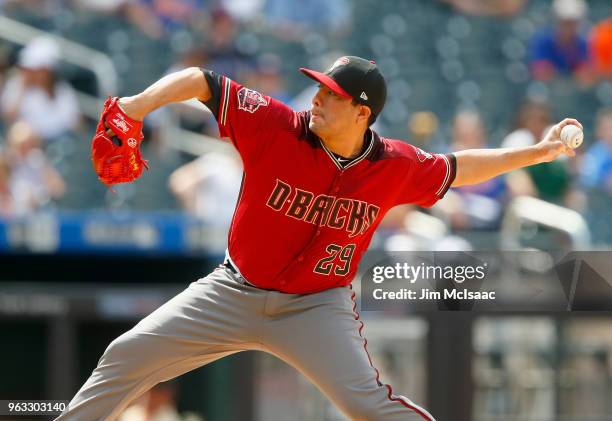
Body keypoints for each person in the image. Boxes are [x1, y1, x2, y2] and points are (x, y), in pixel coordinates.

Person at [56, 56, 579, 421]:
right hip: (232, 291)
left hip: (317, 308)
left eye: (332, 95)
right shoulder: (277, 125)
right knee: (126, 355)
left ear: (362, 112)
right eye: (319, 87)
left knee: (368, 407)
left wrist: (537, 153)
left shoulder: (393, 164)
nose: (317, 98)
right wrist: (136, 105)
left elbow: (457, 167)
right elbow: (204, 81)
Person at [528, 0, 591, 84]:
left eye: (572, 23)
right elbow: (541, 74)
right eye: (564, 23)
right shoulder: (542, 41)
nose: (568, 27)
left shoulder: (584, 43)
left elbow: (587, 77)